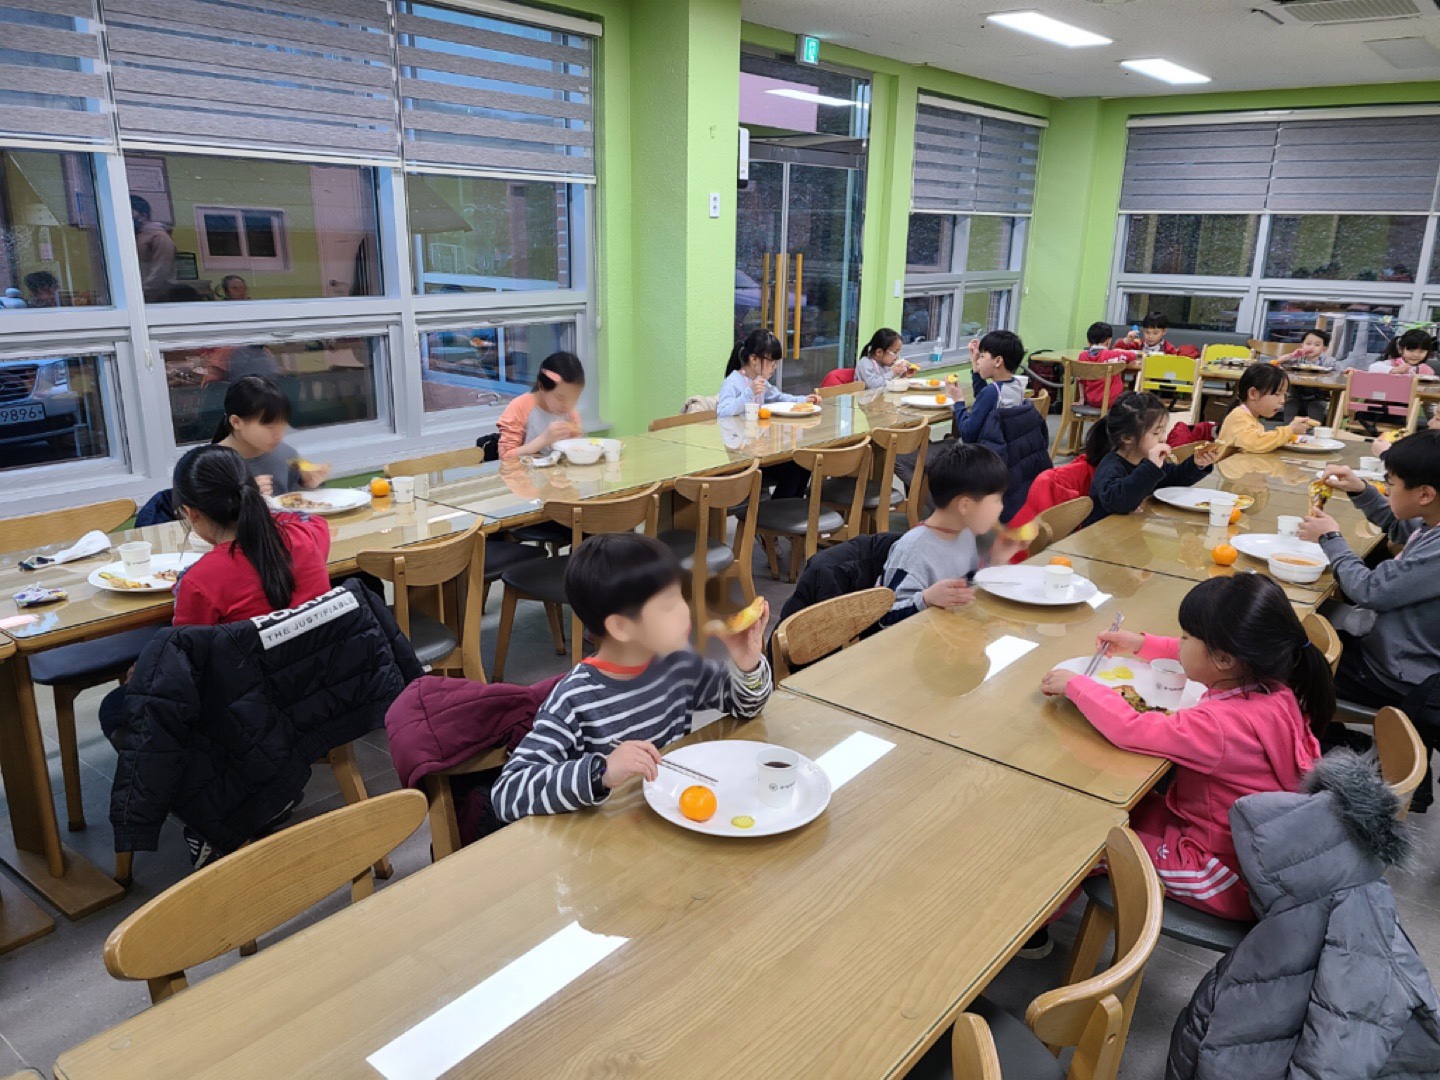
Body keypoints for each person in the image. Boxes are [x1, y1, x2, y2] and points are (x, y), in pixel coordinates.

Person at [1040, 574, 1329, 920]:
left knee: (1084, 846)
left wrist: (1077, 685)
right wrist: (1142, 644)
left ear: (1225, 659)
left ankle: (1034, 931)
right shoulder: (1275, 690)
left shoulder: (1218, 726)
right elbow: (1198, 658)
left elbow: (1131, 729)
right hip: (1247, 852)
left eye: (1185, 636)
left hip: (1220, 874)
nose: (1178, 643)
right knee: (1102, 810)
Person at [490, 533, 772, 822]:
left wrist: (746, 664)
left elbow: (746, 707)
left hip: (669, 819)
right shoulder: (574, 700)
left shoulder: (678, 665)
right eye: (668, 605)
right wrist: (602, 771)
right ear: (622, 627)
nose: (686, 611)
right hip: (605, 837)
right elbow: (508, 793)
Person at [97, 443, 333, 736]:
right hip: (317, 692)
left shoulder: (199, 581)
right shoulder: (308, 536)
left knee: (114, 706)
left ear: (190, 513)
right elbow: (307, 519)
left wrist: (145, 669)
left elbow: (184, 665)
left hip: (247, 716)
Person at [1298, 430, 1440, 811]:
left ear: (1425, 494)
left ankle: (1309, 746)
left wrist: (1331, 538)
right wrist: (1362, 491)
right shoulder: (1433, 523)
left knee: (1291, 659)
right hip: (1403, 651)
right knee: (1318, 623)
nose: (1386, 488)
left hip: (1397, 672)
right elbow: (1405, 527)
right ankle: (1330, 733)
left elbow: (1369, 589)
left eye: (1390, 483)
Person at [877, 442, 1022, 626]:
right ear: (965, 506)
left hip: (953, 632)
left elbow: (966, 586)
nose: (1000, 508)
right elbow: (884, 618)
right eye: (996, 500)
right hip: (917, 640)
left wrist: (995, 562)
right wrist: (926, 599)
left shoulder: (965, 534)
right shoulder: (913, 550)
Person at [1081, 391, 1220, 527]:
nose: (1163, 438)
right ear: (1127, 438)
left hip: (1130, 530)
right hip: (1104, 533)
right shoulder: (1111, 466)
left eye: (1163, 431)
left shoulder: (1145, 461)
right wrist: (1151, 468)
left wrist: (1196, 464)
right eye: (1156, 433)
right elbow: (1118, 502)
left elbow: (1174, 479)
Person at [213, 375, 329, 496]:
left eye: (282, 425)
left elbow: (297, 502)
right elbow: (207, 507)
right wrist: (246, 497)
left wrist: (309, 485)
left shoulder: (286, 455)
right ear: (236, 422)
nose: (279, 435)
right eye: (270, 427)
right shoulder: (212, 465)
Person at [496, 350, 584, 460]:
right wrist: (544, 440)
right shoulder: (519, 407)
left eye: (574, 398)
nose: (567, 405)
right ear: (542, 387)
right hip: (524, 470)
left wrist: (576, 441)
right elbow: (505, 457)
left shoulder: (570, 412)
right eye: (560, 398)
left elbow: (575, 449)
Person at [716, 329, 821, 417]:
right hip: (737, 434)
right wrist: (749, 392)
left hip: (757, 433)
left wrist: (803, 400)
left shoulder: (760, 380)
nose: (775, 367)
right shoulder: (732, 382)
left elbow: (777, 397)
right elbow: (722, 413)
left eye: (776, 362)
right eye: (771, 362)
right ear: (753, 359)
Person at [949, 330, 1026, 443]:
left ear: (998, 361)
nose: (978, 361)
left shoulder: (991, 393)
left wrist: (958, 400)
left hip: (985, 450)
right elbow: (983, 396)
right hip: (1005, 447)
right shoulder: (1016, 385)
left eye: (982, 356)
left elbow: (967, 435)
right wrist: (975, 366)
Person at [1217, 364, 1312, 453]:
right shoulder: (1239, 417)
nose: (1282, 401)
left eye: (1285, 395)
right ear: (1253, 393)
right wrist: (1289, 430)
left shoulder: (1250, 417)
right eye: (1277, 394)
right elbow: (1256, 443)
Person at [1279, 327, 1341, 422]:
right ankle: (1288, 427)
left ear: (1324, 349)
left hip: (1318, 398)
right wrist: (1292, 355)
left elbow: (1340, 372)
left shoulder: (1328, 361)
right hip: (1296, 396)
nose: (1311, 347)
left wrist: (1347, 370)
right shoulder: (1297, 358)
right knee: (1290, 405)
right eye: (1308, 344)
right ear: (1301, 345)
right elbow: (1278, 362)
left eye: (1317, 345)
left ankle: (1313, 428)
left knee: (1315, 407)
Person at [131, 195, 176, 303]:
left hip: (156, 300)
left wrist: (142, 293)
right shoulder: (134, 237)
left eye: (130, 213)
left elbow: (161, 270)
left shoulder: (159, 237)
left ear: (143, 215)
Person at [1079, 320, 1130, 408]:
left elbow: (1080, 379)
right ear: (1109, 341)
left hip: (1091, 400)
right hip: (1113, 402)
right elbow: (1132, 355)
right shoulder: (1114, 354)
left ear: (1088, 342)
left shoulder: (1082, 356)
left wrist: (1082, 398)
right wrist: (1119, 350)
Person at [1367, 327, 1437, 376]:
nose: (1416, 355)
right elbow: (1373, 367)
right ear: (1400, 349)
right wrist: (1394, 370)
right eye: (1411, 350)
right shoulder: (1393, 363)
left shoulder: (1427, 370)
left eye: (1422, 351)